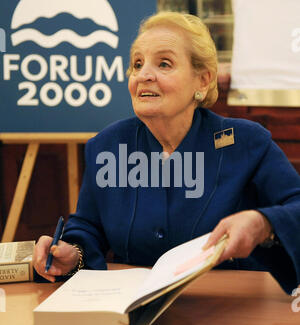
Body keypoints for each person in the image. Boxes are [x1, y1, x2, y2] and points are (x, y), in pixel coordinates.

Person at [33, 11, 300, 294]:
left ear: (203, 80)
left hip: (232, 310)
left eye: (164, 63)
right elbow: (87, 227)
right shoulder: (107, 146)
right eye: (137, 64)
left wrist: (264, 223)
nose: (144, 75)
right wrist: (73, 253)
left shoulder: (246, 142)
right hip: (136, 314)